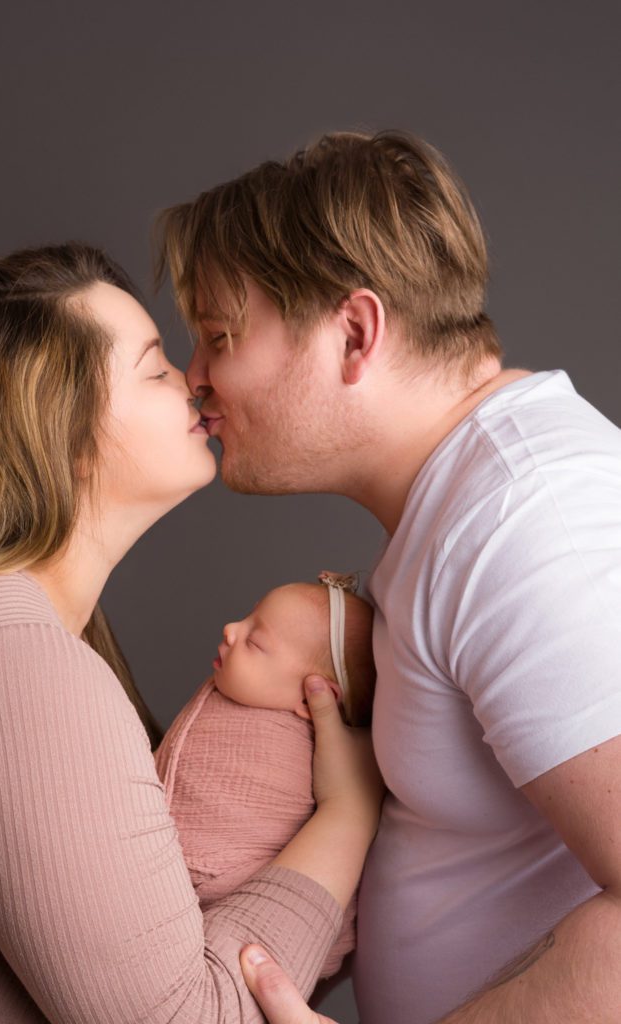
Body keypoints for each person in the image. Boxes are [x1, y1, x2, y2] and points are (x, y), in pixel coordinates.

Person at [0, 242, 383, 1023]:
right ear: (61, 436)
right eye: (154, 370)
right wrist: (347, 817)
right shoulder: (10, 667)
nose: (197, 379)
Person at [155, 129, 621, 1023]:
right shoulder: (459, 510)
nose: (196, 377)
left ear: (355, 333)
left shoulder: (527, 519)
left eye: (218, 336)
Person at [154, 573, 375, 981]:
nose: (231, 629)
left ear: (314, 697)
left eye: (255, 641)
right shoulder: (245, 698)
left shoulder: (291, 751)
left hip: (225, 894)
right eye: (247, 617)